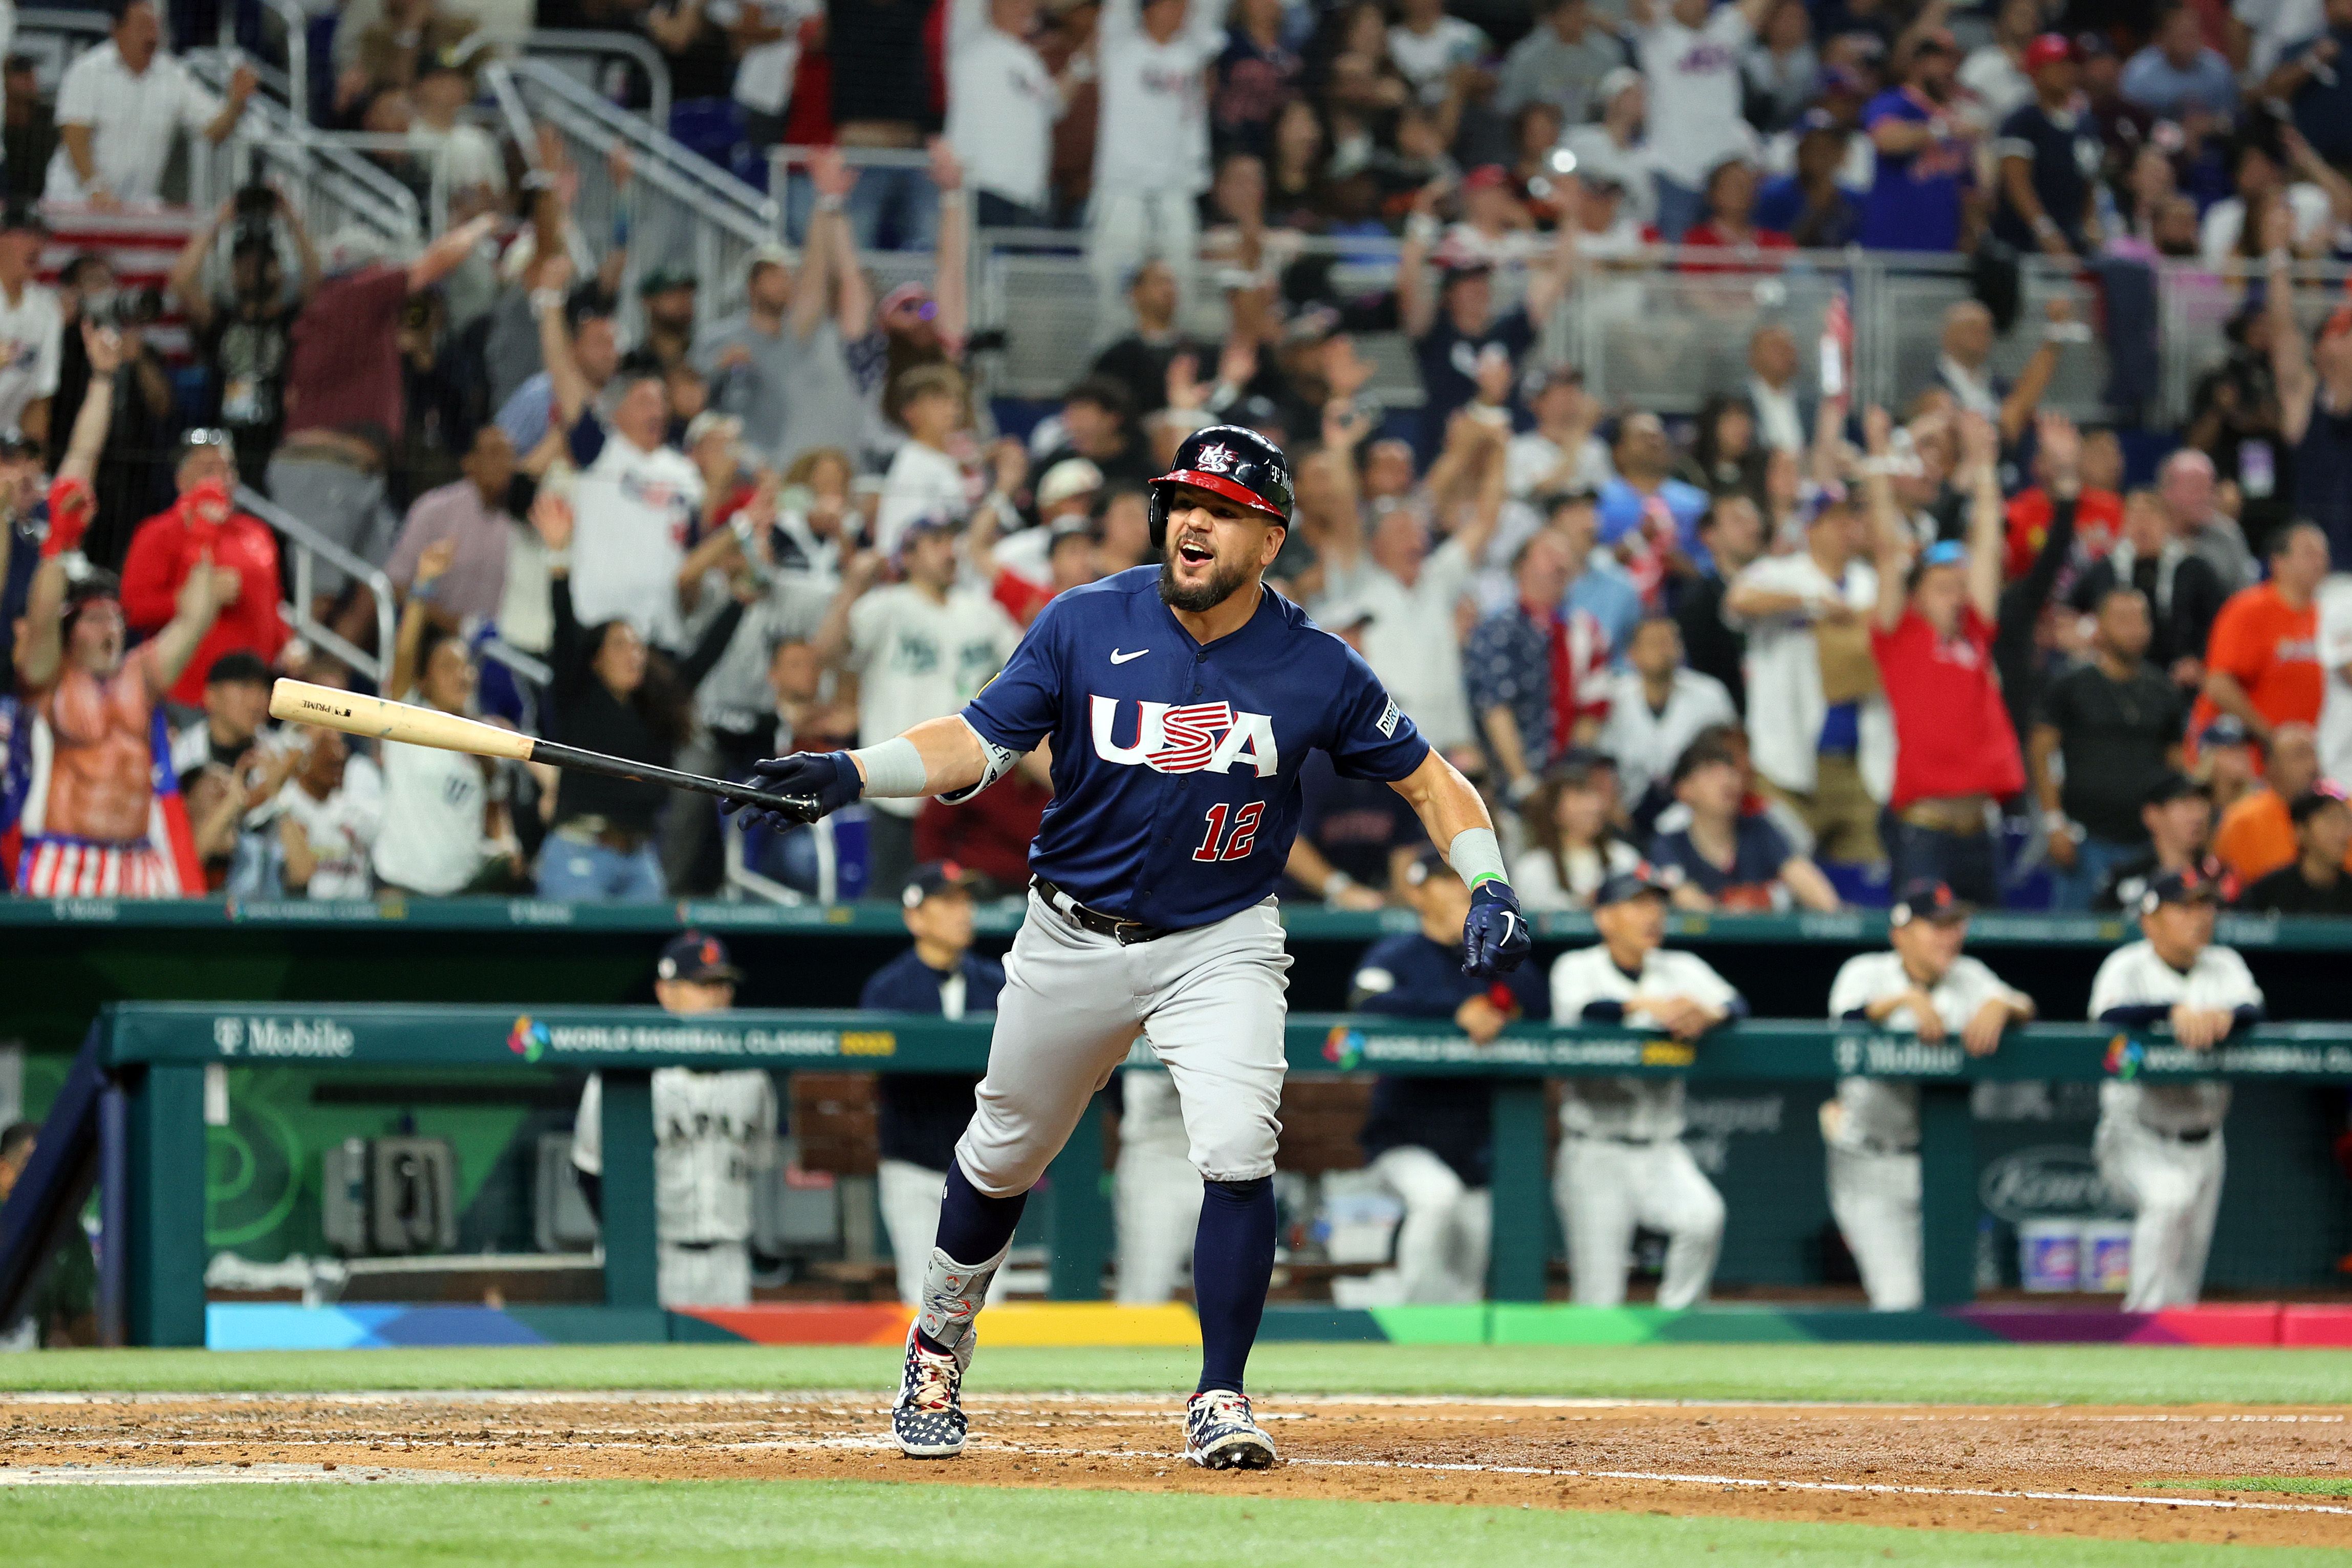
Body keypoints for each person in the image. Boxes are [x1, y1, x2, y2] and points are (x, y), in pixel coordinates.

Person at [730, 424, 1530, 1468]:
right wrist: (850, 768)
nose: (1191, 520)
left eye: (1222, 508)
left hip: (1221, 935)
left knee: (1240, 1144)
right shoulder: (1083, 618)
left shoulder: (1316, 666)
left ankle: (1221, 1395)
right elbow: (979, 738)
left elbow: (1432, 778)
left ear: (1269, 537)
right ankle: (938, 1340)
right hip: (1072, 929)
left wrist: (1488, 874)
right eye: (1182, 500)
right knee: (1004, 1152)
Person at [1345, 852, 1547, 1304]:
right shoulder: (1396, 953)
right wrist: (1453, 1011)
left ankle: (1455, 1347)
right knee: (1437, 1198)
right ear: (1418, 894)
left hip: (1475, 1142)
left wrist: (1503, 997)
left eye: (1464, 882)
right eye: (1445, 882)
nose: (1460, 890)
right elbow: (1367, 1000)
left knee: (1473, 1246)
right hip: (1402, 1138)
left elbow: (1539, 1005)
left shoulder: (1491, 953)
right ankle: (1410, 1319)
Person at [1823, 880, 2032, 1312]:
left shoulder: (1970, 976)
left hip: (1941, 1164)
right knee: (1899, 1299)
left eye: (1955, 924)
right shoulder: (1866, 973)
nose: (1950, 935)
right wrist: (1901, 1001)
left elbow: (2023, 1003)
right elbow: (1847, 1019)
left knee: (1952, 1299)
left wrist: (2004, 1007)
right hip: (1870, 1157)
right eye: (1935, 926)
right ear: (1900, 934)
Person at [1549, 868, 1741, 1307]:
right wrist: (1646, 1006)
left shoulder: (1681, 968)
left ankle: (1676, 1323)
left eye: (1657, 905)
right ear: (1605, 918)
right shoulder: (1577, 967)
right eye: (1637, 905)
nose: (1652, 915)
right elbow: (1584, 1012)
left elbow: (1734, 1004)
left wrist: (1706, 1015)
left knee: (1703, 1218)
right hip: (1595, 1148)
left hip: (1661, 1148)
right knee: (1599, 1297)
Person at [12, 522, 224, 895]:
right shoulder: (50, 680)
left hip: (137, 862)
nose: (111, 629)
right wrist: (60, 541)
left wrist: (203, 539)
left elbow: (196, 620)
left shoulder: (139, 677)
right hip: (67, 860)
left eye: (116, 618)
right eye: (96, 619)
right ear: (70, 630)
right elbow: (41, 618)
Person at [2087, 865, 2263, 1312]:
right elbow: (2109, 1029)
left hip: (2206, 1140)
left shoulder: (2224, 964)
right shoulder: (2126, 967)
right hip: (2138, 1132)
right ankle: (2139, 1327)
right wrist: (2172, 1012)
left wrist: (2228, 1017)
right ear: (2149, 919)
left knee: (2185, 1285)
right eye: (2185, 908)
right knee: (2168, 1201)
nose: (2200, 917)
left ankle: (2170, 1353)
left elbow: (2251, 1007)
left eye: (2206, 905)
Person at [1864, 409, 2023, 904]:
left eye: (1961, 585)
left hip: (1979, 827)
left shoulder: (1975, 634)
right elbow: (1889, 551)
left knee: (1988, 952)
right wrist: (1878, 459)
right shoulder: (1899, 634)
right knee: (1920, 941)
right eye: (1943, 587)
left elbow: (1990, 549)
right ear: (1916, 596)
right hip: (1923, 829)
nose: (1958, 595)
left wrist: (1983, 466)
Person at [571, 933, 778, 1309]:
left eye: (724, 985)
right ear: (665, 992)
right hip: (652, 1255)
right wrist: (627, 1242)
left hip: (730, 1257)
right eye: (704, 985)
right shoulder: (623, 1072)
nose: (718, 996)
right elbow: (589, 1170)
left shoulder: (753, 1076)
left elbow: (759, 1163)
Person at [834, 519, 1023, 900]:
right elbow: (831, 653)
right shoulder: (885, 606)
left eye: (951, 540)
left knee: (949, 909)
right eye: (936, 541)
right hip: (894, 788)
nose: (949, 550)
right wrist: (852, 587)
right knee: (887, 910)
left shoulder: (981, 612)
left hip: (962, 791)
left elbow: (1027, 668)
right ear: (907, 556)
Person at [860, 863, 1009, 1306]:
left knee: (986, 1304)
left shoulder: (999, 983)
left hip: (984, 1170)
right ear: (915, 917)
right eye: (947, 902)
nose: (963, 912)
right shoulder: (888, 989)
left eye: (967, 901)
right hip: (914, 1163)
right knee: (919, 1298)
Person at [1724, 495, 1889, 867]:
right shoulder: (1779, 573)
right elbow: (1738, 600)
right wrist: (1812, 601)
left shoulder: (1872, 583)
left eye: (1852, 520)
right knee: (1785, 883)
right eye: (1836, 520)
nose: (1847, 529)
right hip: (1785, 763)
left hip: (1861, 764)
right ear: (1811, 529)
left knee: (1866, 885)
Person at [693, 151, 869, 472]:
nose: (782, 284)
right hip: (726, 465)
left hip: (782, 465)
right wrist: (721, 367)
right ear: (751, 285)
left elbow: (816, 274)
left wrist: (826, 201)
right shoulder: (717, 337)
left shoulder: (795, 337)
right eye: (771, 276)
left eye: (787, 276)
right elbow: (689, 395)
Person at [371, 538, 522, 898]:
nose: (462, 674)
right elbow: (405, 652)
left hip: (462, 893)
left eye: (466, 665)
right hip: (401, 888)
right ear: (423, 680)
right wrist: (423, 585)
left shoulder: (484, 736)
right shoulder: (407, 719)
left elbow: (494, 809)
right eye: (447, 666)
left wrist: (506, 842)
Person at [2032, 587, 2191, 911]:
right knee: (2075, 941)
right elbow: (2041, 751)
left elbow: (2177, 766)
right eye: (2122, 619)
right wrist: (2053, 822)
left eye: (2141, 619)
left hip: (2149, 843)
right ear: (2099, 628)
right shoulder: (2071, 685)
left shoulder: (2163, 690)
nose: (2134, 628)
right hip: (2086, 840)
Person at [117, 431, 288, 711]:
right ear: (182, 480)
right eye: (210, 469)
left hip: (253, 696)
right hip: (188, 694)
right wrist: (195, 598)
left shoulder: (256, 532)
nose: (223, 478)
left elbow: (272, 602)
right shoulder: (158, 532)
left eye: (229, 468)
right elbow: (133, 609)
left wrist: (286, 642)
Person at [166, 189, 319, 488]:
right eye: (244, 262)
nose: (254, 269)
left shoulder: (289, 320)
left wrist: (292, 222)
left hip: (278, 441)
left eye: (263, 261)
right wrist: (218, 223)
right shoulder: (220, 320)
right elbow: (181, 282)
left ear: (278, 267)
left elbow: (315, 282)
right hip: (224, 440)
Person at [1087, 0, 1227, 320]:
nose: (1181, 11)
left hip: (1175, 190)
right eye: (1171, 5)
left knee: (1182, 290)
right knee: (1113, 292)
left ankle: (1172, 362)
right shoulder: (1119, 47)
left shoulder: (1191, 52)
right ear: (1149, 9)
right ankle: (1113, 363)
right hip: (1122, 190)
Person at [43, 0, 256, 208]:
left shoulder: (173, 75)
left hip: (134, 206)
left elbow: (214, 130)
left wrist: (236, 103)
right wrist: (95, 188)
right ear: (117, 30)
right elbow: (75, 136)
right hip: (75, 200)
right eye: (143, 27)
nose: (152, 36)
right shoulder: (88, 70)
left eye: (155, 27)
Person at [1628, 0, 1773, 242]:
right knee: (1674, 264)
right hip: (1676, 170)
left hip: (1724, 170)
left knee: (1728, 263)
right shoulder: (1658, 34)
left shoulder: (1725, 29)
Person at [1648, 736, 1839, 911]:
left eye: (1731, 772)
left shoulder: (1760, 830)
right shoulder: (1671, 843)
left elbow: (1815, 890)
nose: (1726, 782)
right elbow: (1684, 897)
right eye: (1711, 773)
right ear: (1684, 790)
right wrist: (1731, 913)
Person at [2190, 522, 2330, 750]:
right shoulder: (2248, 610)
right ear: (2279, 562)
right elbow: (2218, 684)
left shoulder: (2328, 616)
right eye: (2309, 553)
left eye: (2324, 554)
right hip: (2247, 755)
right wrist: (2269, 736)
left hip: (2303, 760)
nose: (2320, 562)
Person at [1597, 616, 1738, 818]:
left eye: (1670, 641)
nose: (1663, 650)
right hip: (1627, 811)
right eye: (1653, 643)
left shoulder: (1710, 694)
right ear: (1632, 654)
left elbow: (1731, 756)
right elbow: (1601, 765)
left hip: (1694, 811)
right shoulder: (1611, 699)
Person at [2266, 237, 2352, 564]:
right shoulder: (2305, 398)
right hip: (2313, 570)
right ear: (2319, 351)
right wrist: (2278, 256)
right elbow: (2282, 331)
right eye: (2342, 332)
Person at [0, 1122, 97, 1349]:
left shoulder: (65, 1232)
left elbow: (82, 1324)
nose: (43, 1179)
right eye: (31, 1166)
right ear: (3, 1171)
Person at [1512, 755, 1641, 910]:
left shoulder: (1624, 858)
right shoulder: (1532, 868)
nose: (1593, 805)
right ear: (1555, 810)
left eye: (1595, 794)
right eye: (1580, 796)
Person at [2214, 721, 2331, 885]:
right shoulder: (2242, 821)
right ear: (2272, 767)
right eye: (2299, 756)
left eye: (2314, 755)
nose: (2313, 766)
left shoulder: (2344, 811)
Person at [2237, 785, 2352, 914]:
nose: (2342, 832)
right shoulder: (2266, 894)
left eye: (2346, 820)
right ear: (2300, 831)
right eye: (2331, 820)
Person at [0, 202, 59, 448]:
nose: (35, 245)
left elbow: (40, 398)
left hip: (9, 449)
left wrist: (32, 467)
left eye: (40, 236)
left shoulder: (46, 308)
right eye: (24, 234)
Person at [2118, 2, 2238, 120]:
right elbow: (2128, 122)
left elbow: (2232, 117)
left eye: (2193, 35)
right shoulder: (2138, 75)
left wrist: (2212, 124)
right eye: (2183, 35)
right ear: (2161, 38)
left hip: (2212, 137)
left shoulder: (2218, 68)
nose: (2190, 43)